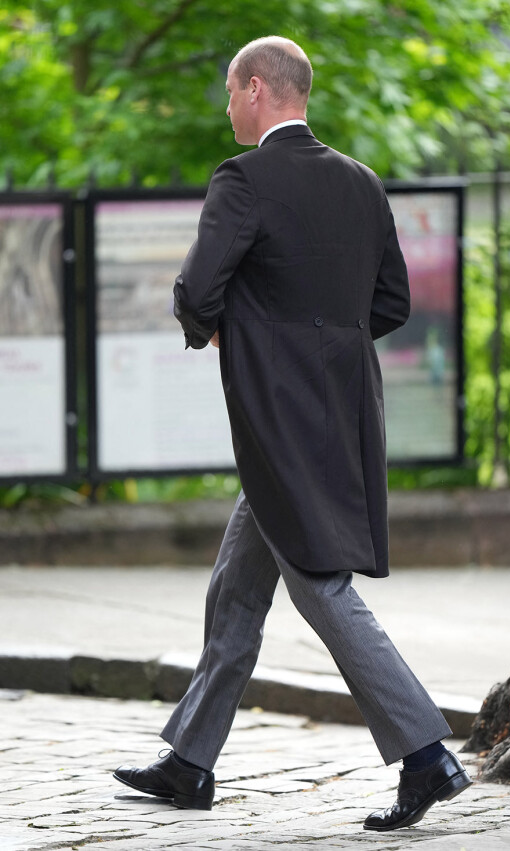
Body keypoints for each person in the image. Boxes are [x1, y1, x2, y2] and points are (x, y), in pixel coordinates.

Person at [114, 35, 472, 832]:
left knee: (320, 585)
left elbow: (200, 289)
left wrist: (232, 332)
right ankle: (190, 762)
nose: (227, 105)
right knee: (237, 586)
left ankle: (425, 754)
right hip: (342, 408)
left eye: (229, 91)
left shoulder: (242, 179)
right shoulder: (360, 181)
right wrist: (317, 343)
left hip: (277, 418)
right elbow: (391, 305)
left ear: (253, 89)